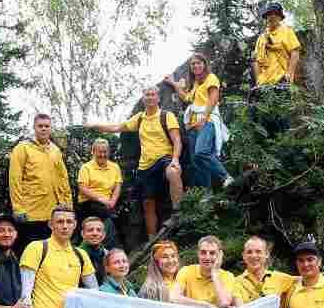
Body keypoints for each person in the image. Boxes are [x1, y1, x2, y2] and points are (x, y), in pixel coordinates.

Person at [87, 86, 184, 237]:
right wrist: (95, 125)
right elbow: (117, 127)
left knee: (173, 171)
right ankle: (153, 239)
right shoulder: (139, 118)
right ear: (143, 99)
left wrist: (176, 159)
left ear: (158, 98)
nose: (150, 98)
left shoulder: (166, 116)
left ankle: (178, 211)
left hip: (164, 158)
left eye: (153, 95)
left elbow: (177, 140)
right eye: (147, 95)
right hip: (145, 166)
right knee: (147, 203)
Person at [163, 54, 233, 190]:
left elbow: (213, 98)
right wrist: (173, 83)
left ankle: (226, 177)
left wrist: (203, 119)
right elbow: (187, 98)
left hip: (207, 120)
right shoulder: (195, 84)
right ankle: (206, 194)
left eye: (198, 63)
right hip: (193, 125)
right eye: (193, 64)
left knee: (202, 152)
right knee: (196, 161)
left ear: (204, 64)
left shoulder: (211, 78)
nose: (195, 66)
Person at [9, 113, 73, 253]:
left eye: (47, 126)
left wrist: (67, 205)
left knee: (50, 253)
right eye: (40, 126)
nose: (43, 129)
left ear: (50, 129)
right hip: (31, 212)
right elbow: (15, 179)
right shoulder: (22, 148)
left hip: (53, 212)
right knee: (29, 252)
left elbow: (63, 178)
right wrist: (18, 208)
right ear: (34, 127)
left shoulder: (55, 150)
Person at [251, 2, 301, 137]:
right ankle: (267, 151)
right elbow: (255, 60)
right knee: (263, 119)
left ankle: (285, 152)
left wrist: (289, 74)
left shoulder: (287, 31)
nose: (270, 17)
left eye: (274, 14)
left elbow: (295, 52)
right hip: (263, 84)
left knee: (282, 119)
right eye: (268, 15)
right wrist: (258, 81)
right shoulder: (261, 38)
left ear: (280, 16)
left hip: (280, 80)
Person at [76, 139, 122, 249]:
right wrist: (102, 199)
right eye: (99, 152)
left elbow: (117, 186)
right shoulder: (86, 167)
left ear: (109, 152)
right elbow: (82, 188)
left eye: (105, 152)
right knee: (105, 215)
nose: (102, 154)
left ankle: (107, 247)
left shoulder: (114, 167)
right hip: (89, 202)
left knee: (112, 215)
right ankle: (109, 246)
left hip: (107, 204)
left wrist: (112, 201)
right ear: (93, 152)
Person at [79, 216, 109, 285]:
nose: (95, 233)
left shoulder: (107, 254)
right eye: (90, 230)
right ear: (82, 234)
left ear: (104, 235)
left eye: (98, 230)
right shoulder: (76, 255)